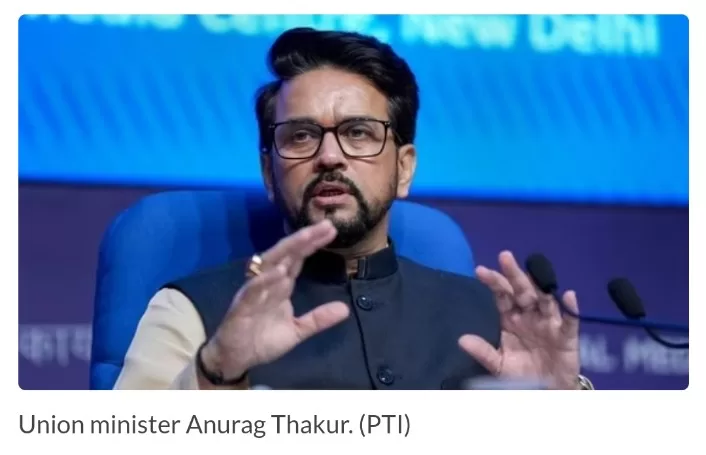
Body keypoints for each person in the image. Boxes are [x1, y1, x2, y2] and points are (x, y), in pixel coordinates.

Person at [113, 27, 591, 391]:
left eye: (358, 133)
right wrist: (216, 371)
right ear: (268, 172)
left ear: (404, 168)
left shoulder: (493, 323)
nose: (329, 156)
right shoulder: (192, 313)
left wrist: (560, 402)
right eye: (301, 135)